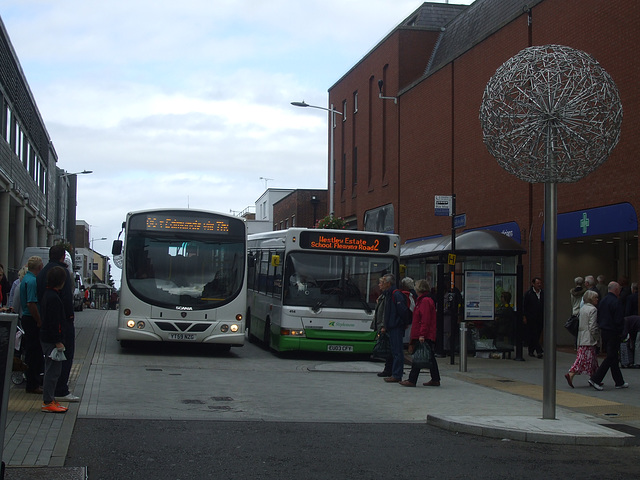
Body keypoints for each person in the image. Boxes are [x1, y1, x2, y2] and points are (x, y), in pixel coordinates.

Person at [37, 245, 79, 402]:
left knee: (49, 362)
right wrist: (70, 317)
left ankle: (51, 393)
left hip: (44, 321)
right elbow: (67, 299)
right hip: (60, 324)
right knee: (63, 358)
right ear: (63, 256)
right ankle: (61, 390)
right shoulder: (62, 273)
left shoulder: (42, 273)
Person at [39, 266, 69, 413]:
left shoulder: (48, 295)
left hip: (47, 337)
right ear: (61, 281)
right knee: (52, 371)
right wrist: (58, 340)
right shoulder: (54, 298)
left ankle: (50, 399)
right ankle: (48, 401)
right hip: (51, 340)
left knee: (53, 370)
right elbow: (54, 322)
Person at [588, 281, 628, 391]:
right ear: (616, 290)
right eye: (619, 289)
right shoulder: (616, 302)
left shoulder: (603, 301)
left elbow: (599, 316)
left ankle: (619, 381)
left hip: (604, 331)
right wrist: (622, 332)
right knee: (611, 356)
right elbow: (619, 319)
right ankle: (596, 379)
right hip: (613, 332)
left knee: (613, 357)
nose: (620, 291)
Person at [400, 279, 440, 387]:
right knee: (429, 356)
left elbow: (425, 319)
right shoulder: (422, 300)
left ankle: (412, 380)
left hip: (423, 334)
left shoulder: (425, 301)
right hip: (424, 333)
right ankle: (435, 378)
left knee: (418, 357)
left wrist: (421, 334)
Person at [377, 273, 410, 383]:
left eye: (382, 282)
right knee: (394, 351)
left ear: (388, 283)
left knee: (397, 351)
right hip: (392, 325)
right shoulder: (389, 294)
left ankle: (397, 374)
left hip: (396, 326)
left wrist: (399, 322)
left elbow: (403, 311)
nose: (380, 285)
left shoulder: (395, 295)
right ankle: (394, 372)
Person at [19, 256, 44, 394]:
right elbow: (31, 303)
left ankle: (32, 381)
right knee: (34, 352)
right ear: (39, 267)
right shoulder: (33, 281)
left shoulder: (25, 279)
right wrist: (39, 319)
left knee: (31, 351)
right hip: (31, 318)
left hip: (27, 317)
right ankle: (33, 383)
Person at [565, 290, 600, 388]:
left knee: (591, 359)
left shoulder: (583, 308)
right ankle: (571, 373)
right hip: (589, 338)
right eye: (595, 298)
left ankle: (595, 377)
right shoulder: (593, 310)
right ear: (591, 299)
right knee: (584, 359)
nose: (597, 299)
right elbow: (592, 326)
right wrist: (597, 338)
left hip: (581, 337)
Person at [522, 277, 544, 358]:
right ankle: (539, 350)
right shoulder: (528, 294)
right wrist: (524, 316)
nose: (539, 285)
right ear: (533, 284)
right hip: (531, 317)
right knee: (533, 333)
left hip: (540, 318)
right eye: (537, 283)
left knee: (537, 334)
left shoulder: (543, 293)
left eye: (540, 283)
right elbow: (524, 305)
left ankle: (531, 350)